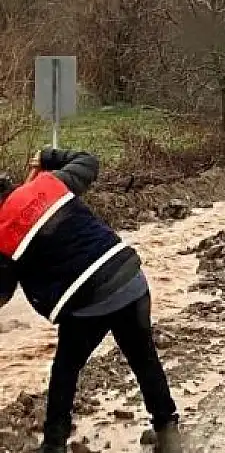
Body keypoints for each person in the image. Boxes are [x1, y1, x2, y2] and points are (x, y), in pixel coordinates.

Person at [0, 148, 182, 453]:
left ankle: (54, 445)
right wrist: (49, 156)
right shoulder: (48, 184)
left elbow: (2, 294)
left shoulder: (3, 235)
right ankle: (168, 432)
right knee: (143, 358)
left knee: (65, 371)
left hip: (86, 299)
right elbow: (89, 162)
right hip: (128, 277)